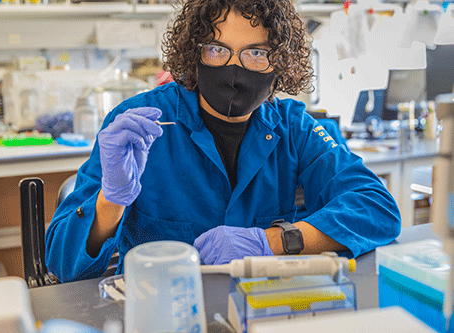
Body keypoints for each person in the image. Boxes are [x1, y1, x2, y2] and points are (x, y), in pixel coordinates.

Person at [45, 0, 401, 282]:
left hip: (262, 306)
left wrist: (271, 242)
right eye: (216, 49)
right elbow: (63, 264)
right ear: (193, 51)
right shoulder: (139, 123)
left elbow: (377, 209)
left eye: (256, 53)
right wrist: (111, 200)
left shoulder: (293, 127)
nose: (234, 69)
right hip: (160, 312)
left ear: (280, 62)